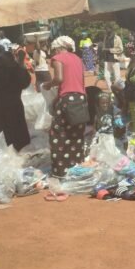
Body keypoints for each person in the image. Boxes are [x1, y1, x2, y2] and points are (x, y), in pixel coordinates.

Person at [44, 36, 86, 178]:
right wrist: (58, 98)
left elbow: (59, 79)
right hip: (80, 98)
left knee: (58, 133)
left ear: (59, 48)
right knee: (76, 134)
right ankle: (76, 166)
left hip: (67, 100)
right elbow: (78, 82)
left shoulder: (58, 58)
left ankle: (60, 171)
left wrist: (48, 85)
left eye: (54, 49)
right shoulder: (78, 59)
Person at [0, 44, 31, 151]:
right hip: (14, 100)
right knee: (17, 123)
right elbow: (25, 82)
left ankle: (7, 147)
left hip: (1, 102)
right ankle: (20, 145)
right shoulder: (15, 66)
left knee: (3, 126)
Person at [101, 26, 123, 91]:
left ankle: (118, 91)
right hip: (107, 59)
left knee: (117, 77)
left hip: (115, 59)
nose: (106, 30)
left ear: (111, 29)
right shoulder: (105, 38)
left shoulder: (117, 38)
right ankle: (111, 90)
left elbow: (121, 49)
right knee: (106, 76)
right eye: (106, 29)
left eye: (108, 28)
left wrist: (109, 50)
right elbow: (103, 48)